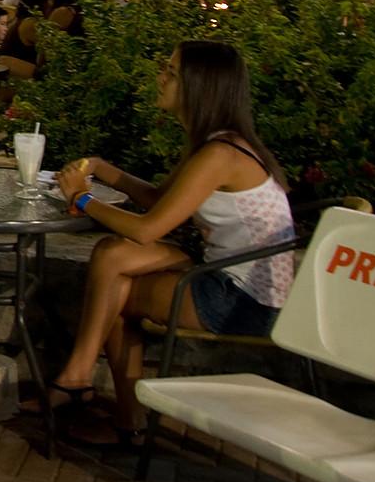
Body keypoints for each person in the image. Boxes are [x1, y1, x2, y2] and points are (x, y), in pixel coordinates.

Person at [49, 40, 295, 445]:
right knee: (112, 256)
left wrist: (81, 198)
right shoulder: (218, 143)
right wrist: (101, 168)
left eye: (172, 72)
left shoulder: (220, 153)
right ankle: (86, 384)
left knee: (115, 286)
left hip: (244, 300)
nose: (160, 76)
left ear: (200, 86)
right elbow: (161, 202)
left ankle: (105, 400)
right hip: (224, 271)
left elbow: (148, 229)